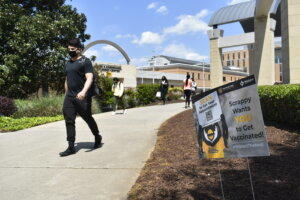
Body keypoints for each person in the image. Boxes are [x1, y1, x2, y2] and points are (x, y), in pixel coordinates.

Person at [60, 38, 102, 157]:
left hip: (82, 96)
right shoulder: (68, 63)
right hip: (70, 97)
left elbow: (90, 78)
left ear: (79, 49)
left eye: (72, 49)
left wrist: (83, 91)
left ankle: (97, 136)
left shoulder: (85, 61)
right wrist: (66, 94)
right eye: (69, 49)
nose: (70, 51)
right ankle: (71, 146)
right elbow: (67, 79)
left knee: (87, 118)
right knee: (69, 120)